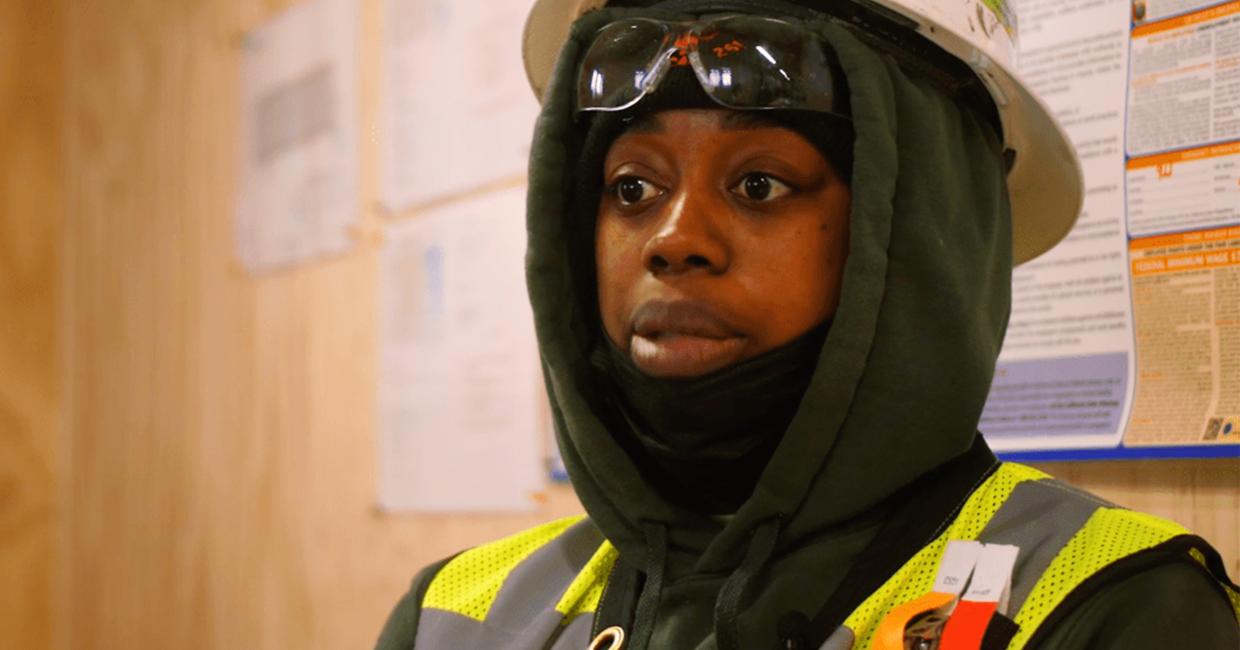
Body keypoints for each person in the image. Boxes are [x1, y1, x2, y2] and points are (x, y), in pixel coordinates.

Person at [377, 0, 1240, 648]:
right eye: (631, 187)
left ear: (915, 229)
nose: (674, 240)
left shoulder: (1111, 608)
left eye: (761, 185)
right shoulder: (456, 615)